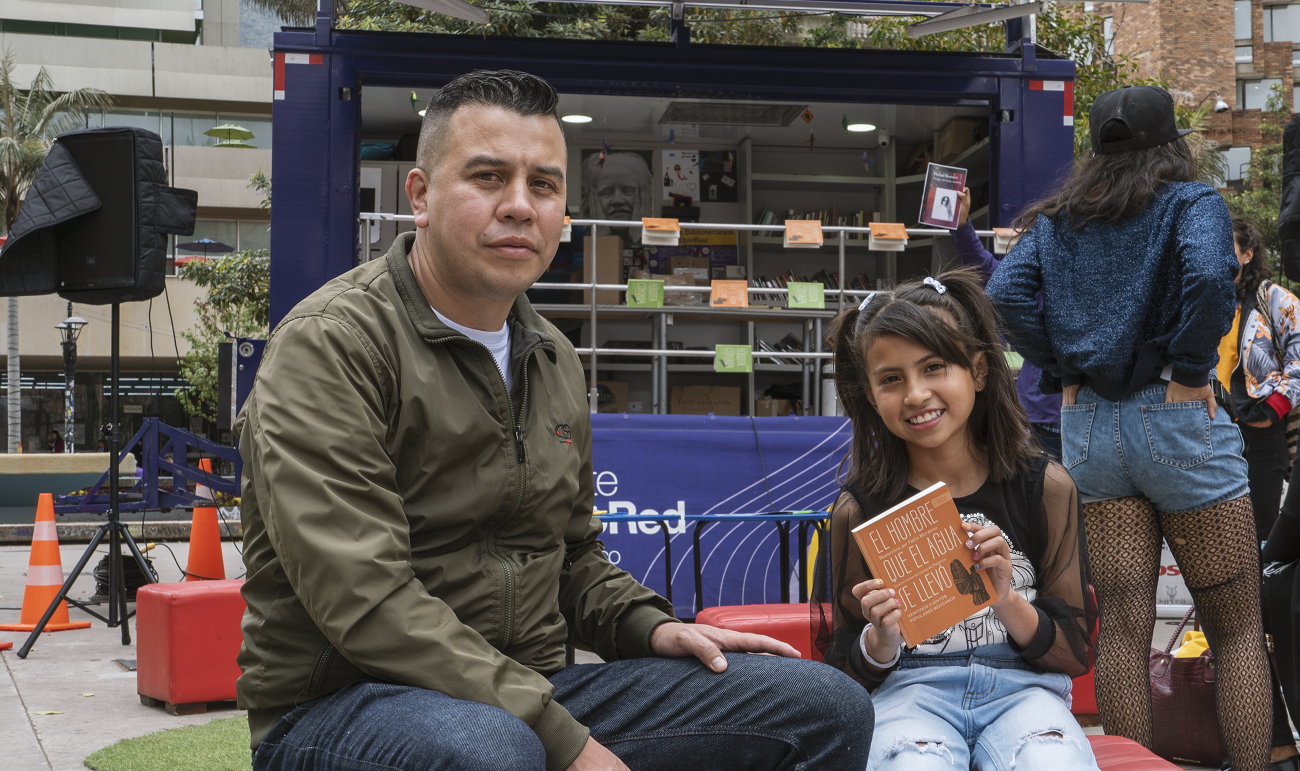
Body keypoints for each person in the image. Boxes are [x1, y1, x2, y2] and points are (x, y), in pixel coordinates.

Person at [234, 69, 873, 771]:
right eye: (487, 177)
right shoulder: (332, 344)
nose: (518, 205)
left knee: (822, 703)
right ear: (419, 196)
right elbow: (366, 600)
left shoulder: (554, 358)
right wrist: (566, 743)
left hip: (533, 691)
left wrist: (651, 626)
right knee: (495, 750)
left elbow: (572, 557)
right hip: (347, 705)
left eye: (542, 184)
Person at [986, 84, 1271, 770]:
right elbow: (1209, 278)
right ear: (1172, 142)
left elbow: (1003, 294)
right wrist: (1193, 371)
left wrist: (1062, 367)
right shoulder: (1190, 203)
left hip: (1092, 428)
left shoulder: (1060, 219)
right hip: (1176, 416)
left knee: (1122, 627)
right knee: (1236, 631)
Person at [817, 269, 1098, 771]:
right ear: (868, 394)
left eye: (934, 367)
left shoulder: (1045, 486)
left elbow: (1074, 652)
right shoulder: (858, 510)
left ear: (979, 371)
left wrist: (1006, 597)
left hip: (1025, 693)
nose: (916, 394)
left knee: (1050, 762)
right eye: (891, 379)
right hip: (909, 695)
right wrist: (880, 640)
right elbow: (841, 677)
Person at [1220, 216, 1300, 769]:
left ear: (1248, 253)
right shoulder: (1205, 297)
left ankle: (1272, 738)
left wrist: (1276, 404)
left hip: (1262, 436)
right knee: (1234, 564)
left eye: (1227, 247)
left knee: (1256, 560)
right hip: (1216, 438)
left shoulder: (1277, 300)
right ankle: (1262, 735)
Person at [950, 186, 1063, 458]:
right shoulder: (1037, 274)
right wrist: (961, 225)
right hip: (1039, 414)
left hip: (1082, 410)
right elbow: (987, 270)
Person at [581, 151, 654, 245]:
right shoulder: (578, 239)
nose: (618, 200)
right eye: (606, 192)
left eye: (628, 190)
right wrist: (601, 234)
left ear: (645, 195)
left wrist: (639, 235)